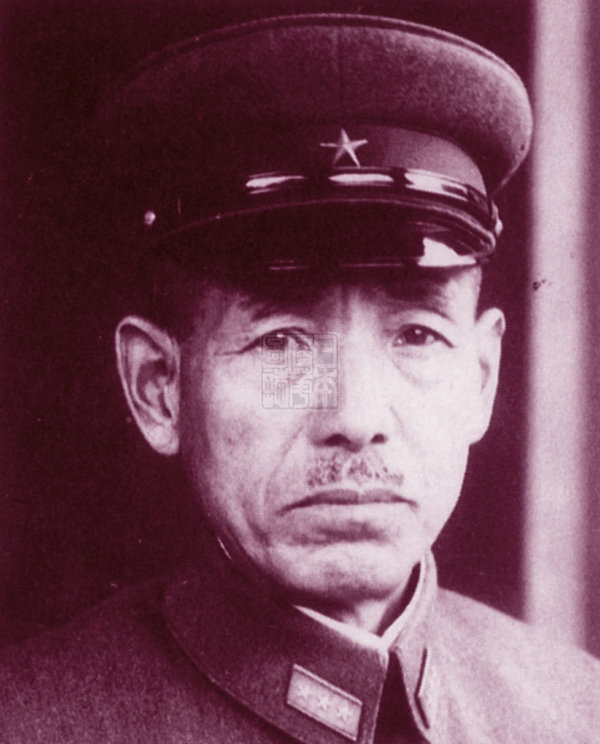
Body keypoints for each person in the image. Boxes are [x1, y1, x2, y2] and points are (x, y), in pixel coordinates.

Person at [0, 2, 598, 742]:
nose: (356, 417)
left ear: (481, 377)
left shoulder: (577, 713)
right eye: (282, 342)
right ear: (159, 387)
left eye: (416, 334)